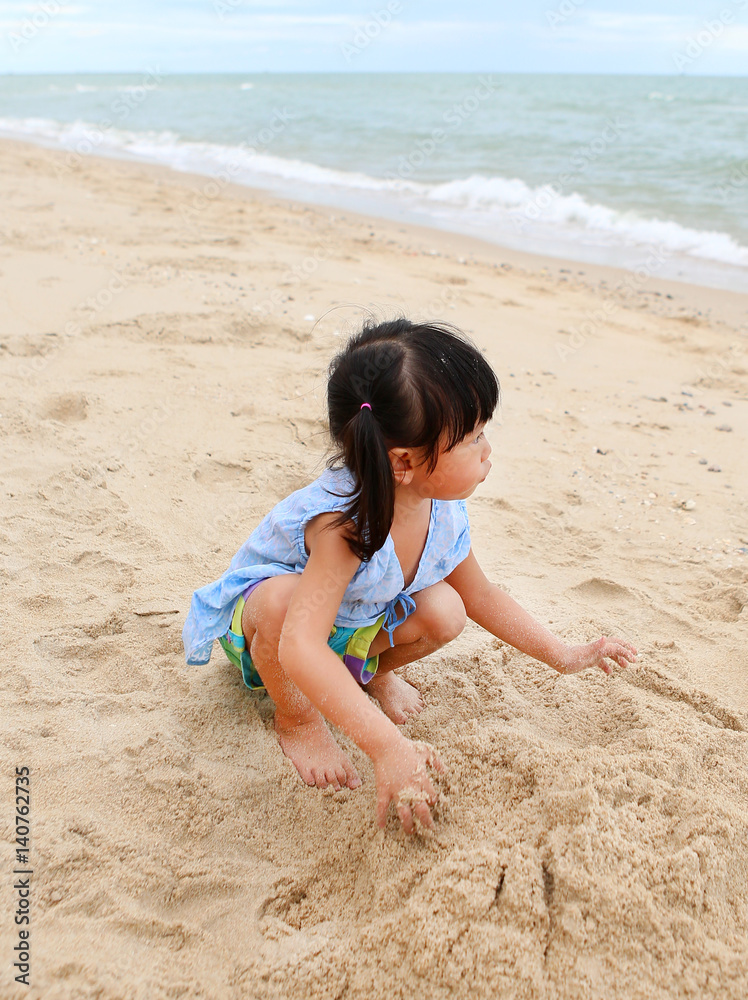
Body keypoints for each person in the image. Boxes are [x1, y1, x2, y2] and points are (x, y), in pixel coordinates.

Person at [183, 317, 637, 834]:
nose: (487, 450)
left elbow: (481, 594)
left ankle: (368, 673)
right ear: (403, 461)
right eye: (471, 437)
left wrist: (563, 654)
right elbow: (299, 645)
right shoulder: (344, 525)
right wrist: (387, 748)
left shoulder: (438, 507)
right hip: (272, 640)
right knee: (283, 601)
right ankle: (298, 717)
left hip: (351, 626)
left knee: (447, 609)